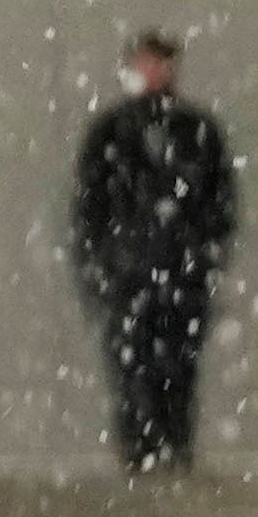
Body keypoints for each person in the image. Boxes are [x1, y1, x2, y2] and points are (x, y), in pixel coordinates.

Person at [69, 32, 239, 473]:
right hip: (131, 277)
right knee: (134, 372)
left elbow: (220, 206)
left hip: (180, 276)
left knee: (176, 371)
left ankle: (171, 451)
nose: (154, 73)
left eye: (159, 63)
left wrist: (201, 257)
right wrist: (106, 264)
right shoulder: (112, 131)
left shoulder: (196, 131)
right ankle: (142, 454)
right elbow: (90, 209)